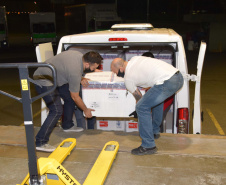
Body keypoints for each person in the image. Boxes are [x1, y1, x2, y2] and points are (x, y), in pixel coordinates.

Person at [111, 54, 184, 155]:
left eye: (117, 73)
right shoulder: (135, 59)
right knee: (157, 101)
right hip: (178, 77)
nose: (117, 75)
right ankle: (154, 131)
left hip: (167, 82)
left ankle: (148, 145)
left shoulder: (128, 78)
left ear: (121, 68)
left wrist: (139, 112)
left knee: (141, 107)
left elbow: (139, 98)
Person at [33, 50, 102, 152]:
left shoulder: (79, 55)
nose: (94, 69)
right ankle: (40, 142)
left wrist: (80, 77)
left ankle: (67, 125)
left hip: (54, 78)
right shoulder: (75, 71)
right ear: (87, 63)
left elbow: (66, 69)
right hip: (43, 80)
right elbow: (75, 96)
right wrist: (86, 110)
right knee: (56, 111)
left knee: (68, 99)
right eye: (93, 67)